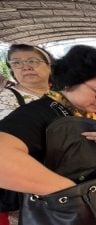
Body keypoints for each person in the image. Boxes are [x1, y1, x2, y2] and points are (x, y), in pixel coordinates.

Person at [0, 45, 96, 224]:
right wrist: (74, 195)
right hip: (62, 216)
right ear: (70, 81)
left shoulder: (88, 113)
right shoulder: (37, 113)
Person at [0, 44, 53, 225]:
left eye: (32, 61)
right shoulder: (7, 99)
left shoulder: (60, 95)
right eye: (17, 63)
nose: (25, 67)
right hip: (28, 184)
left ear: (49, 65)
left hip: (62, 178)